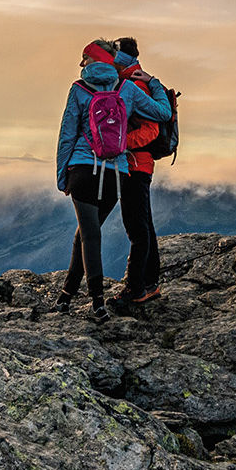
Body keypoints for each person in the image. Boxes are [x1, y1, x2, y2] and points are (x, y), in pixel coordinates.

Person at [52, 39, 172, 317]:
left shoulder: (79, 89)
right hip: (117, 172)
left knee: (89, 235)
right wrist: (154, 83)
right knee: (87, 234)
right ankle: (71, 298)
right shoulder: (127, 88)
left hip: (83, 168)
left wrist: (62, 177)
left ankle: (94, 302)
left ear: (89, 60)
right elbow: (163, 113)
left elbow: (67, 134)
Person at [112, 37, 168, 304]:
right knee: (144, 225)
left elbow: (152, 128)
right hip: (139, 164)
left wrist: (122, 145)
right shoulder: (133, 82)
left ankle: (135, 289)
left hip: (136, 164)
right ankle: (149, 284)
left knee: (137, 228)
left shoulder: (136, 85)